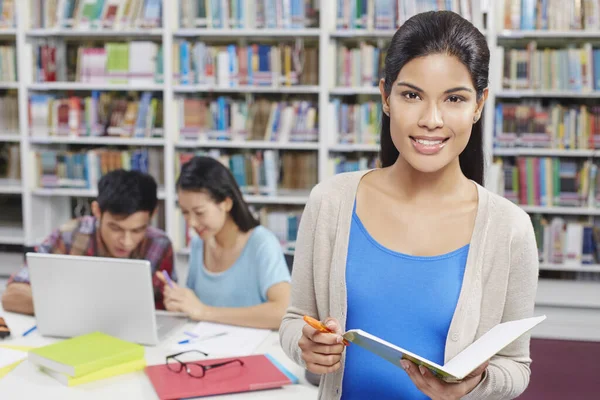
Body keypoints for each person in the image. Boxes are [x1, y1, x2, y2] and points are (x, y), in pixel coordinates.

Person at [279, 11, 539, 400]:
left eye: (454, 98)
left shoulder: (510, 229)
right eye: (412, 95)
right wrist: (305, 344)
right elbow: (294, 320)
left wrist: (477, 384)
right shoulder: (330, 202)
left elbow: (516, 366)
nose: (431, 119)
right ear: (385, 97)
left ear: (479, 105)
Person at [2, 169, 175, 315]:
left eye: (138, 230)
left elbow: (167, 309)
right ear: (97, 211)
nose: (127, 242)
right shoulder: (68, 237)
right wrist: (77, 309)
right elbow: (11, 296)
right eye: (115, 228)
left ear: (152, 215)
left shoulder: (160, 245)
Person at [156, 156, 291, 330]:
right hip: (204, 347)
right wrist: (180, 303)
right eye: (185, 213)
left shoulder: (261, 243)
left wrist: (205, 312)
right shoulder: (199, 243)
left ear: (226, 203)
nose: (191, 223)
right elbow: (195, 308)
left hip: (251, 350)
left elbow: (283, 312)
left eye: (199, 212)